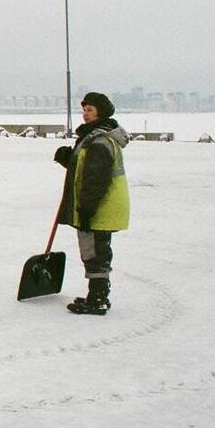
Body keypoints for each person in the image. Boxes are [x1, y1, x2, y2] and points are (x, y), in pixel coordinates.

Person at [54, 91, 130, 316]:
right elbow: (87, 170)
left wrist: (87, 209)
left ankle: (97, 299)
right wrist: (69, 158)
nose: (85, 114)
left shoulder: (99, 140)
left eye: (90, 110)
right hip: (101, 205)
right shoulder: (95, 137)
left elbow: (96, 179)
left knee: (94, 251)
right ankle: (98, 295)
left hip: (99, 206)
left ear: (101, 112)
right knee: (97, 249)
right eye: (84, 110)